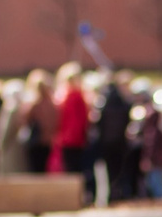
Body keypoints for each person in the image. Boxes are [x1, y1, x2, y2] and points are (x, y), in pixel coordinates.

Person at [52, 63, 92, 200]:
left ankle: (75, 197)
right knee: (73, 169)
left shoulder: (73, 96)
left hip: (71, 139)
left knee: (73, 169)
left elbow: (77, 121)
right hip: (71, 138)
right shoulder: (72, 95)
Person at [97, 71, 137, 205]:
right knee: (119, 169)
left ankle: (113, 193)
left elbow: (99, 123)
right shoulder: (123, 103)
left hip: (107, 141)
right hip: (119, 141)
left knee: (110, 170)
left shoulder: (105, 101)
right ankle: (118, 192)